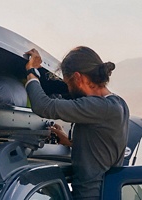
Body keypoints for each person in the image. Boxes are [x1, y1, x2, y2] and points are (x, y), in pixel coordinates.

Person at [24, 46, 129, 200]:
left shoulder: (99, 107)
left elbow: (43, 106)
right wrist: (70, 142)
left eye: (68, 83)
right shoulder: (119, 104)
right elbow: (105, 148)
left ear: (78, 78)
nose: (68, 88)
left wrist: (31, 71)